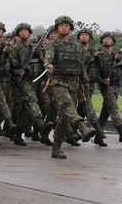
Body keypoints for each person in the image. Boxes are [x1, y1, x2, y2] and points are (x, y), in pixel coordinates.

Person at [43, 16, 96, 159]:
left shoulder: (77, 46)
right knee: (67, 105)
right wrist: (48, 65)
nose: (64, 28)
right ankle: (82, 127)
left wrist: (85, 81)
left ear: (71, 29)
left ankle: (56, 148)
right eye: (61, 26)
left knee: (65, 118)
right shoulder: (53, 45)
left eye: (66, 26)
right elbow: (47, 58)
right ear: (57, 28)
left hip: (74, 83)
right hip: (58, 82)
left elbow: (81, 65)